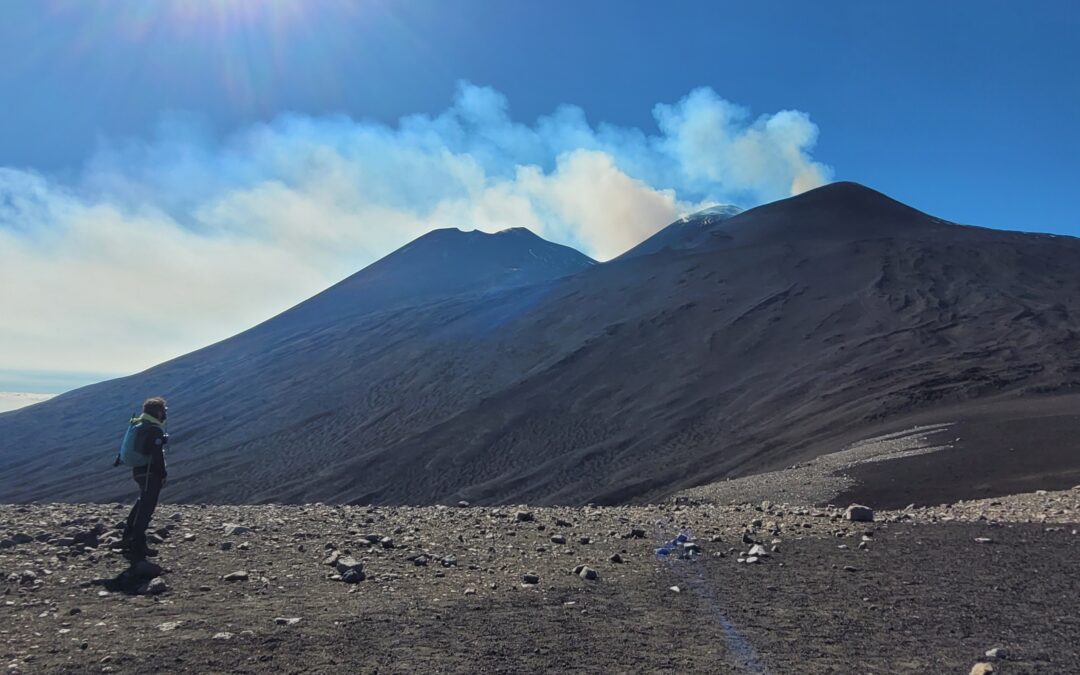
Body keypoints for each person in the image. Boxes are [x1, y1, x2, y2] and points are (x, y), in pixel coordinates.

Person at [120, 396, 169, 559]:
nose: (164, 415)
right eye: (163, 411)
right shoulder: (154, 429)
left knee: (142, 501)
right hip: (149, 472)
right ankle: (138, 545)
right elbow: (156, 454)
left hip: (139, 471)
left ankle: (128, 537)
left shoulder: (141, 425)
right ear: (159, 412)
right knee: (147, 507)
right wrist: (162, 473)